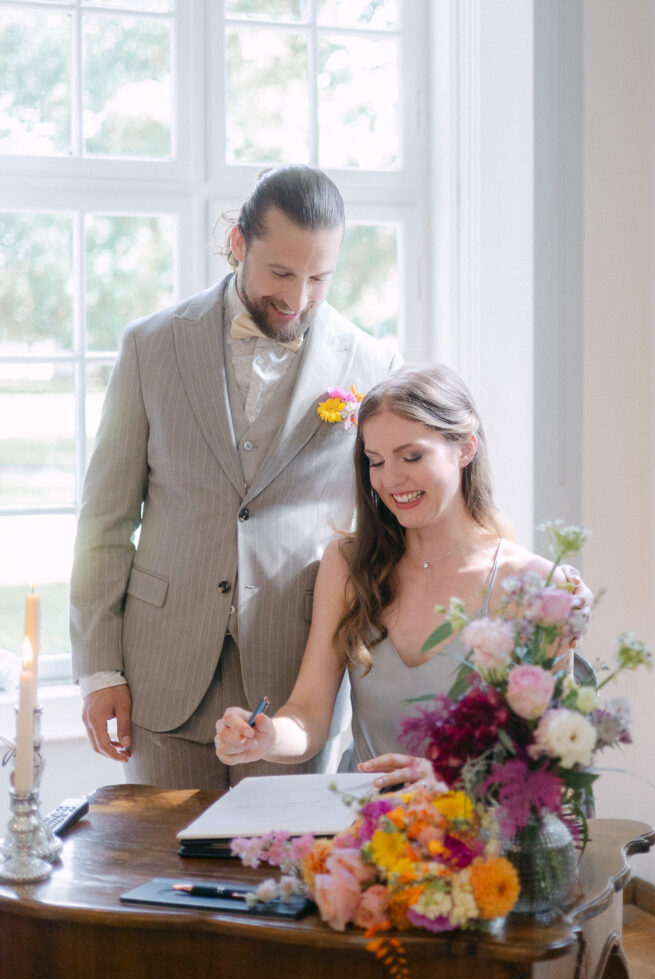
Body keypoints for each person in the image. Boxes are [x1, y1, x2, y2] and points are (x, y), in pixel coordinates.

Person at [70, 164, 401, 789]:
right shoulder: (152, 345)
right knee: (161, 874)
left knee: (282, 878)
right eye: (280, 273)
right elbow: (104, 523)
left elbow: (392, 512)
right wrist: (100, 670)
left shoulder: (373, 362)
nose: (297, 299)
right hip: (162, 676)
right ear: (239, 244)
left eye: (319, 278)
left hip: (295, 684)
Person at [215, 364, 586, 790]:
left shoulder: (533, 581)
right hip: (361, 828)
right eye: (375, 461)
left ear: (465, 448)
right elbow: (309, 713)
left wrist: (453, 779)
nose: (390, 479)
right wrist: (266, 738)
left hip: (476, 831)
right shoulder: (348, 563)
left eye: (412, 456)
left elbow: (554, 752)